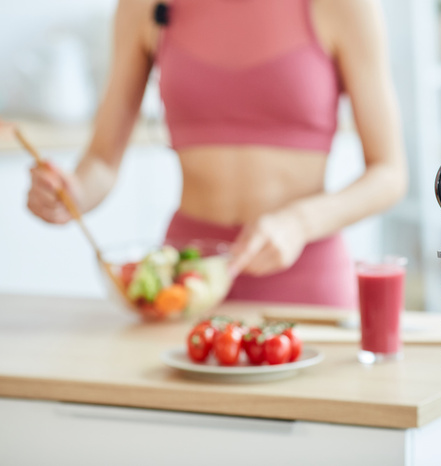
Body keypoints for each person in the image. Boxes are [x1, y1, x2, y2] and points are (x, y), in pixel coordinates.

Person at [25, 0, 408, 309]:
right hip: (184, 283)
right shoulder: (143, 7)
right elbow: (102, 163)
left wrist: (299, 223)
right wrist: (71, 194)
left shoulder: (345, 6)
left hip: (305, 281)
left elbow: (389, 173)